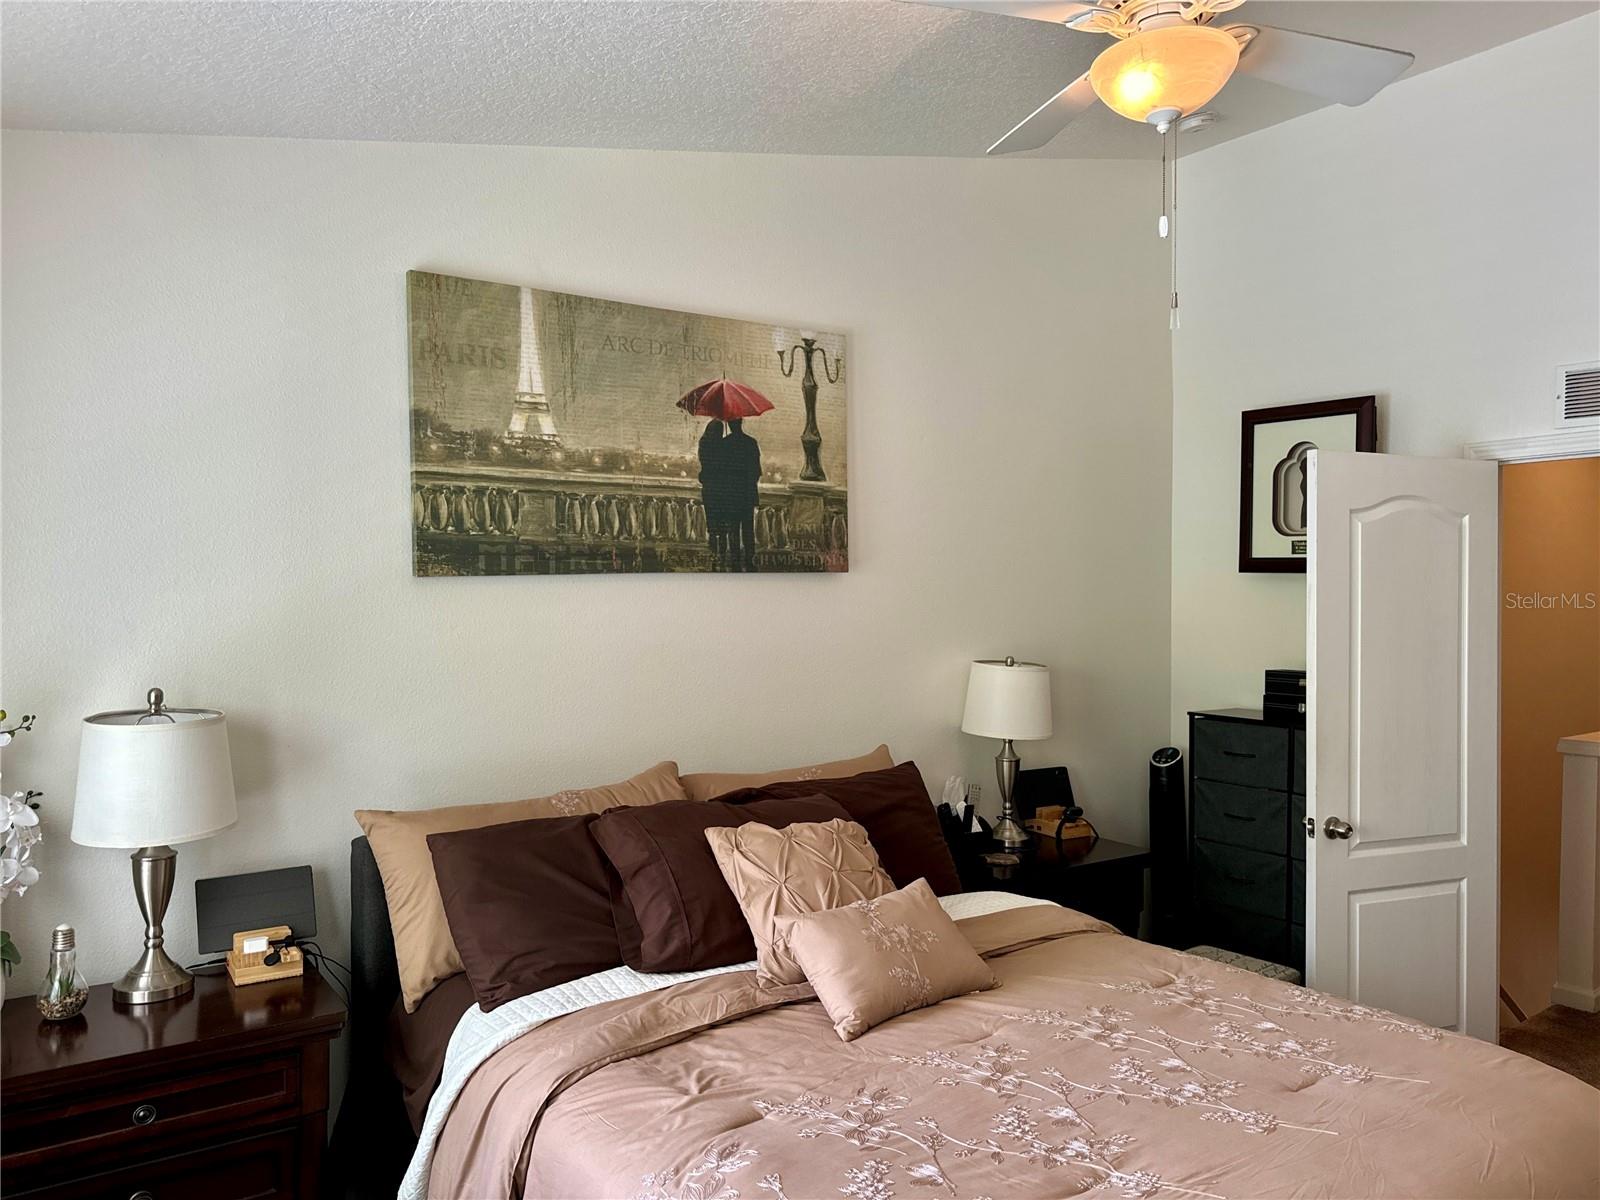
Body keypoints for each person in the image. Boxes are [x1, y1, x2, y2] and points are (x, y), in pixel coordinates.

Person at [722, 418, 762, 571]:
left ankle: (735, 562)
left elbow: (722, 473)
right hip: (747, 495)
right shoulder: (751, 443)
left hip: (731, 496)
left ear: (730, 425)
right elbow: (757, 472)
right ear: (741, 423)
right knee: (748, 530)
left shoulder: (725, 444)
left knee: (733, 530)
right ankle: (750, 561)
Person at [697, 419, 729, 568]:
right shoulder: (723, 446)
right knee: (722, 524)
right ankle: (721, 555)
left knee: (712, 523)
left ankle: (714, 554)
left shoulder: (703, 444)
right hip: (722, 490)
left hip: (709, 489)